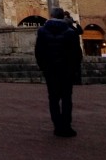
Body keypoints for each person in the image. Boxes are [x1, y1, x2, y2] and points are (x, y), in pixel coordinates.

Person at [35, 7, 83, 138]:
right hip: (66, 70)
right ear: (63, 17)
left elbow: (39, 52)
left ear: (51, 16)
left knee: (53, 98)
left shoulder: (42, 31)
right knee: (67, 98)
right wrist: (74, 69)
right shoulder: (70, 32)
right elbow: (77, 53)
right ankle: (66, 126)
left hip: (51, 70)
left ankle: (57, 126)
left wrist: (43, 67)